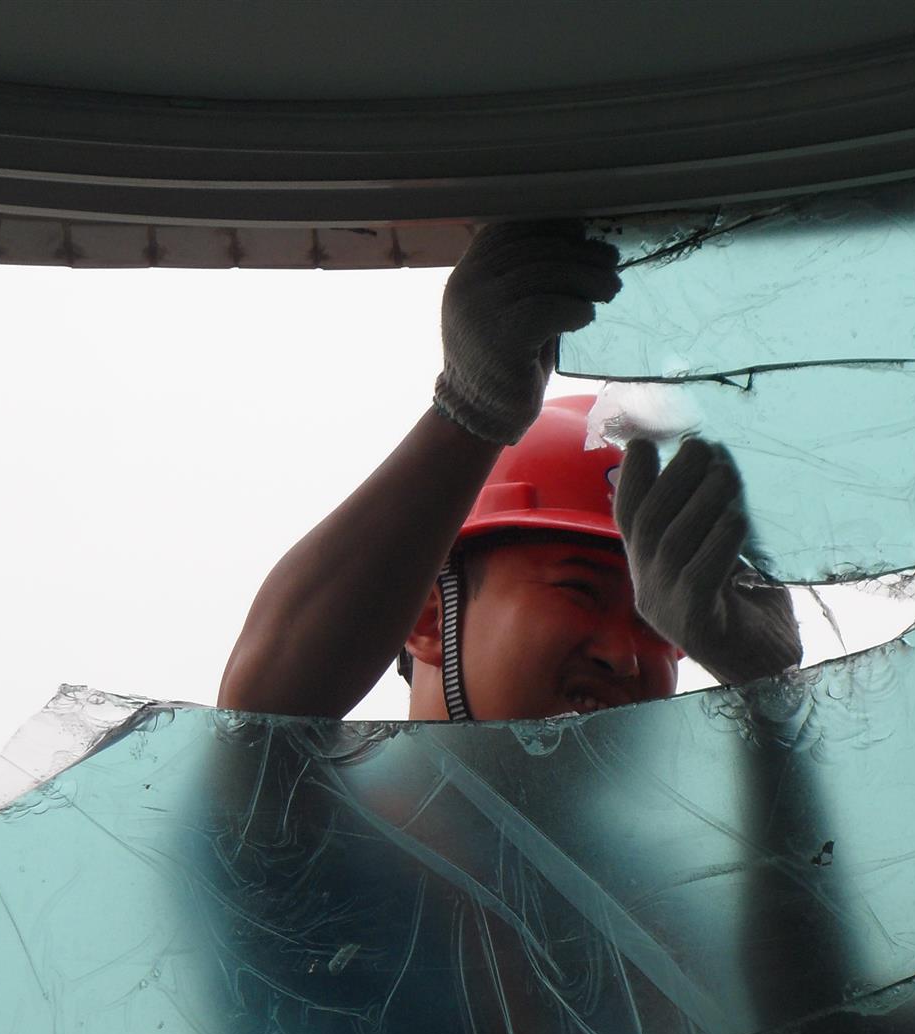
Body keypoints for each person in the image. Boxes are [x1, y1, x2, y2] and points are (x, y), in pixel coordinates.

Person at [218, 220, 801, 724]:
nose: (622, 659)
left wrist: (771, 697)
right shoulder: (318, 833)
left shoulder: (679, 848)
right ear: (429, 614)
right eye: (578, 589)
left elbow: (813, 860)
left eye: (662, 625)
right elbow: (257, 731)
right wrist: (469, 418)